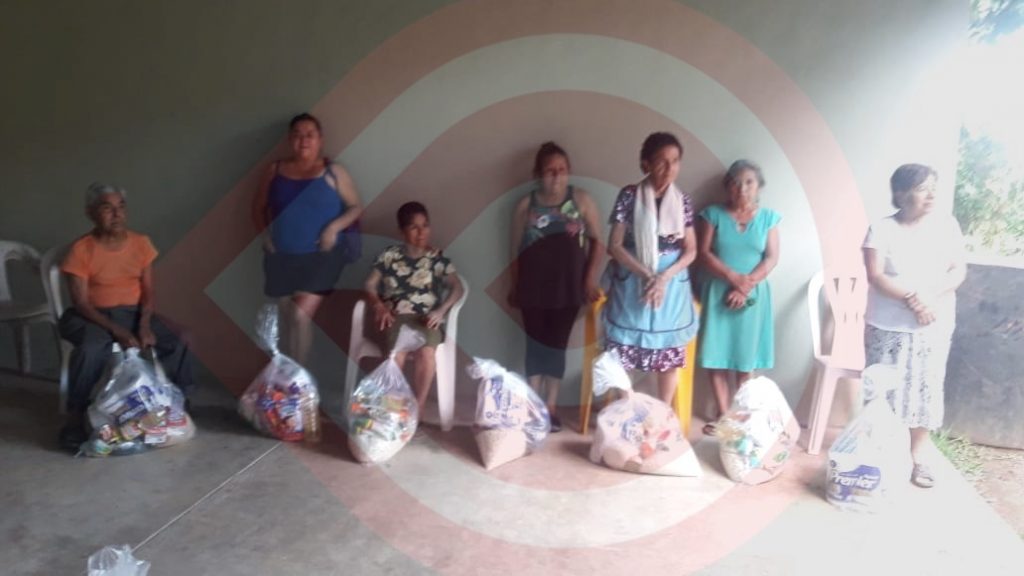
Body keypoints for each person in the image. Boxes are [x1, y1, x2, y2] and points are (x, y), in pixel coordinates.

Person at [57, 183, 194, 451]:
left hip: (133, 313)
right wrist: (118, 331)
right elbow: (81, 303)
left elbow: (149, 292)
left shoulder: (141, 244)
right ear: (90, 213)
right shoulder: (81, 249)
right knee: (91, 348)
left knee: (181, 337)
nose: (116, 214)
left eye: (121, 207)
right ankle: (74, 417)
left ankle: (179, 405)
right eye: (107, 208)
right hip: (90, 316)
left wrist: (143, 324)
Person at [863, 163, 966, 488]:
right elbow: (875, 274)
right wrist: (913, 298)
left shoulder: (947, 226)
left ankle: (919, 458)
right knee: (882, 391)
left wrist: (928, 297)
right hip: (887, 325)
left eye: (933, 187)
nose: (931, 194)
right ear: (900, 194)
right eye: (922, 188)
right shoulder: (881, 228)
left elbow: (958, 270)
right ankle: (877, 454)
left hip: (933, 323)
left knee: (925, 389)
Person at [252, 112, 363, 364]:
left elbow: (355, 207)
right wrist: (265, 237)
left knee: (300, 316)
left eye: (309, 135)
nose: (303, 140)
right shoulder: (274, 171)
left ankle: (300, 379)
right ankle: (290, 376)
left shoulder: (333, 172)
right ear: (289, 140)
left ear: (320, 139)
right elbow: (257, 208)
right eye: (297, 135)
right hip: (281, 257)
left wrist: (333, 229)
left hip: (322, 258)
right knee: (287, 318)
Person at [509, 142, 602, 432]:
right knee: (535, 344)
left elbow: (598, 242)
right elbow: (514, 251)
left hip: (568, 287)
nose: (556, 175)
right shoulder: (525, 205)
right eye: (550, 170)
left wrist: (588, 280)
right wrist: (515, 285)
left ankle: (550, 406)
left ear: (568, 171)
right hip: (532, 287)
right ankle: (532, 404)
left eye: (561, 169)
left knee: (556, 344)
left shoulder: (582, 199)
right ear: (538, 174)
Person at [603, 132, 699, 404]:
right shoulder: (629, 195)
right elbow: (615, 245)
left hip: (670, 286)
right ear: (646, 164)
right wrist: (648, 276)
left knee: (668, 355)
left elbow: (691, 249)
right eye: (661, 161)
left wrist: (663, 278)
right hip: (634, 280)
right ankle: (626, 408)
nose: (669, 168)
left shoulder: (682, 201)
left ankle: (662, 414)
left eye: (675, 161)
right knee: (623, 352)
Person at [697, 160, 781, 435]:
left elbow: (771, 258)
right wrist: (733, 278)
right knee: (716, 355)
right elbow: (704, 253)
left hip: (753, 296)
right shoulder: (712, 214)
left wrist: (745, 286)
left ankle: (743, 417)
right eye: (735, 182)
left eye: (748, 182)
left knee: (746, 360)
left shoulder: (768, 218)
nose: (742, 188)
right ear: (727, 187)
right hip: (718, 292)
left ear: (759, 187)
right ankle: (723, 416)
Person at [364, 202, 464, 412]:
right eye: (414, 227)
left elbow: (457, 288)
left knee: (427, 354)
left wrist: (441, 311)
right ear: (401, 231)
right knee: (396, 354)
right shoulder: (389, 256)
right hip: (394, 317)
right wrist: (378, 305)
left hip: (426, 319)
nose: (421, 232)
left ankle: (417, 409)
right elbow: (370, 284)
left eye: (425, 225)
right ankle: (392, 411)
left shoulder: (436, 258)